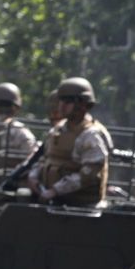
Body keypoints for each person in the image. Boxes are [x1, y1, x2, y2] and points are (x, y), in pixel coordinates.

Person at [28, 77, 113, 207]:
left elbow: (88, 173)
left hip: (81, 207)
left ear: (82, 104)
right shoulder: (58, 130)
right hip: (53, 201)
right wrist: (33, 176)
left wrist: (56, 190)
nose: (61, 105)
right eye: (60, 100)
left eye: (68, 101)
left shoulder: (91, 135)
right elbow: (45, 158)